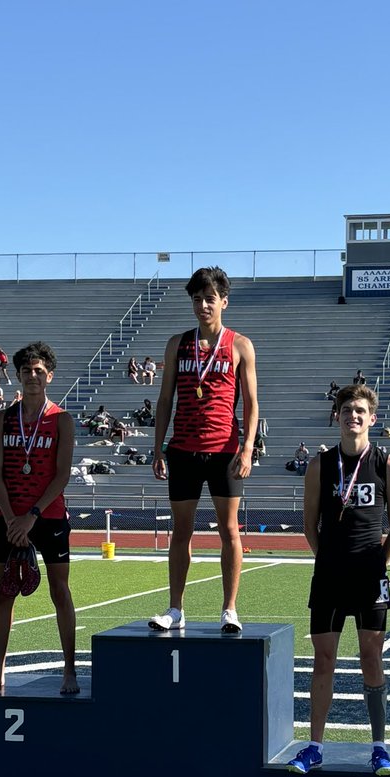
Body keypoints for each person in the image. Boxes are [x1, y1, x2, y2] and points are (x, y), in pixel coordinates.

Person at [287, 383, 390, 777]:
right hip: (330, 577)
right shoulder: (320, 465)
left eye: (360, 411)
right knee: (324, 661)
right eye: (346, 410)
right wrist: (329, 562)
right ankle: (314, 746)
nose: (352, 416)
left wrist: (377, 565)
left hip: (370, 577)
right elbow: (308, 525)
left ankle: (379, 748)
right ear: (336, 417)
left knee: (371, 659)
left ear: (372, 418)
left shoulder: (388, 464)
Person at [150, 266, 258, 634]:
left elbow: (252, 404)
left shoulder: (240, 345)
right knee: (181, 532)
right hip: (182, 449)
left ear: (224, 302)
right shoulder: (177, 343)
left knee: (229, 530)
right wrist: (157, 448)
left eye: (210, 298)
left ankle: (230, 609)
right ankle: (175, 609)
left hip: (224, 451)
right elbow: (165, 400)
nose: (203, 305)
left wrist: (246, 450)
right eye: (197, 299)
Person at [0, 341, 78, 695]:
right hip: (9, 517)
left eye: (39, 371)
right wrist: (13, 517)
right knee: (4, 591)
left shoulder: (62, 419)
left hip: (48, 516)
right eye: (27, 371)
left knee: (60, 591)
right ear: (17, 375)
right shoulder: (2, 419)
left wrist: (31, 516)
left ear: (50, 377)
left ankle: (70, 671)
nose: (33, 376)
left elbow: (61, 476)